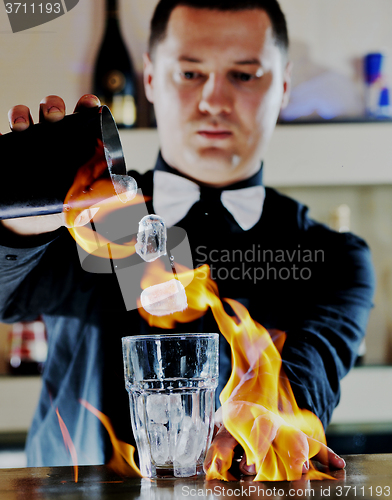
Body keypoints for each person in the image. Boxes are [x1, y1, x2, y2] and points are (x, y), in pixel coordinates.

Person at [0, 0, 374, 475]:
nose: (214, 100)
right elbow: (5, 295)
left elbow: (312, 371)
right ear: (151, 79)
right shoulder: (92, 213)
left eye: (244, 75)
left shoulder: (334, 257)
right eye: (190, 73)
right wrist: (20, 223)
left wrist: (269, 418)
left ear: (282, 86)